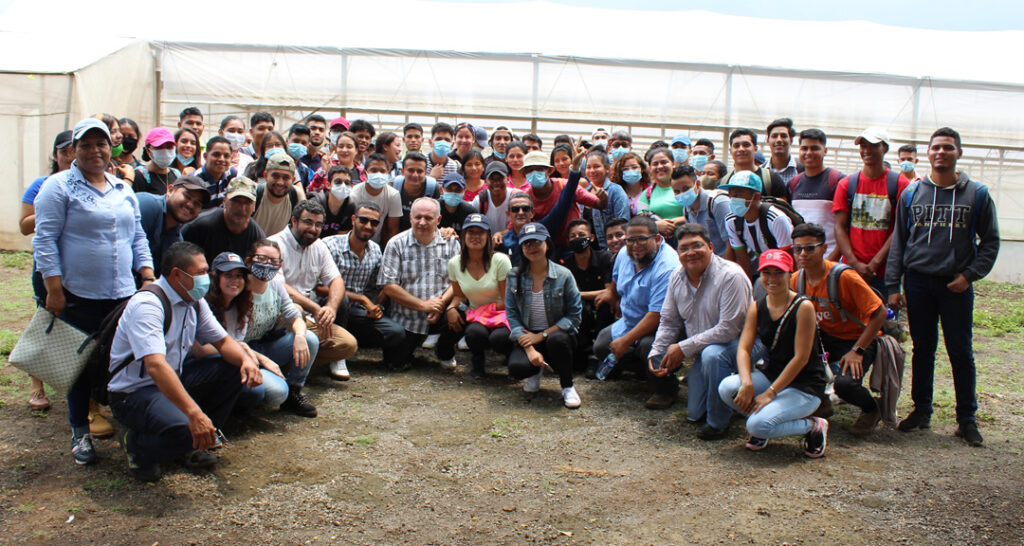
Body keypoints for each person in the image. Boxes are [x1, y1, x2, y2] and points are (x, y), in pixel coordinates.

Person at [33, 118, 155, 465]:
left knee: (121, 363)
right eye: (85, 145)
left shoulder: (121, 188)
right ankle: (79, 432)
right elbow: (44, 241)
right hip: (78, 294)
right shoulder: (58, 187)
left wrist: (146, 278)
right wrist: (54, 290)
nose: (94, 151)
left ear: (110, 148)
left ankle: (127, 425)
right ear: (73, 150)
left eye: (101, 144)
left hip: (121, 294)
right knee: (79, 365)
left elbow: (138, 237)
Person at [108, 242, 261, 482]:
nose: (207, 278)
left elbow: (222, 341)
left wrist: (245, 360)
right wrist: (194, 413)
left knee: (232, 369)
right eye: (200, 273)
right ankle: (137, 445)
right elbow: (156, 366)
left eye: (206, 271)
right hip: (134, 393)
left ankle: (199, 442)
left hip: (172, 380)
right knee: (187, 425)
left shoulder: (194, 300)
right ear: (177, 275)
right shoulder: (148, 305)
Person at [886, 127, 1000, 446]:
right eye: (936, 147)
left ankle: (967, 418)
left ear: (958, 153)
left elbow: (991, 242)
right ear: (929, 153)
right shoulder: (911, 194)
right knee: (923, 348)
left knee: (960, 351)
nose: (941, 152)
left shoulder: (976, 194)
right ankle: (921, 410)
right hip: (919, 282)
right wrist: (894, 284)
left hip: (956, 285)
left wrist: (970, 275)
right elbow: (899, 242)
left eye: (948, 147)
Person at [718, 249, 829, 457]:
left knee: (756, 425)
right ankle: (767, 420)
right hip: (772, 374)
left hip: (804, 384)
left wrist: (769, 393)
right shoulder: (757, 306)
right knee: (727, 388)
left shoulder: (803, 307)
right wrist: (747, 382)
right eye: (766, 273)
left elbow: (801, 358)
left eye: (779, 272)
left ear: (790, 274)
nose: (772, 279)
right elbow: (743, 348)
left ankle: (812, 425)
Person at [648, 224, 754, 434]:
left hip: (743, 346)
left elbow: (728, 329)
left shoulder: (731, 275)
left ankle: (718, 424)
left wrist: (683, 347)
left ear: (711, 247)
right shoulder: (677, 276)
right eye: (683, 248)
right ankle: (730, 399)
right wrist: (656, 352)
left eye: (697, 246)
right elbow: (669, 320)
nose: (690, 253)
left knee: (713, 355)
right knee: (694, 413)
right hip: (703, 350)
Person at [791, 223, 887, 435]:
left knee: (845, 385)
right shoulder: (797, 280)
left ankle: (872, 409)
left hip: (858, 339)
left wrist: (858, 350)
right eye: (798, 249)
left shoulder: (844, 277)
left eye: (810, 248)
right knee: (794, 361)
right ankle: (821, 402)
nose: (803, 254)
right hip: (825, 338)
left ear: (824, 248)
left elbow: (879, 313)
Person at [205, 246, 320, 417]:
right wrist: (261, 359)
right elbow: (226, 344)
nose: (267, 265)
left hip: (259, 346)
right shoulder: (230, 296)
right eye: (262, 259)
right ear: (249, 260)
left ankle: (294, 392)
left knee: (310, 339)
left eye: (273, 261)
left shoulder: (261, 289)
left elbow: (293, 313)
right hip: (232, 355)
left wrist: (300, 336)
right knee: (276, 392)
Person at [268, 200, 358, 380]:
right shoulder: (274, 245)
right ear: (294, 221)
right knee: (297, 310)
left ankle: (289, 366)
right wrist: (316, 308)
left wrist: (330, 309)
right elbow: (279, 287)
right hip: (279, 315)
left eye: (318, 225)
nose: (313, 229)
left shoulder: (319, 247)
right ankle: (291, 373)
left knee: (348, 345)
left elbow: (336, 280)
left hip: (309, 318)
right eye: (308, 222)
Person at [593, 216, 680, 401]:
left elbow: (656, 315)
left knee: (649, 347)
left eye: (641, 239)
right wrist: (612, 295)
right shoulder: (625, 253)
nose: (635, 245)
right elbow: (617, 279)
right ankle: (643, 371)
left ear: (657, 239)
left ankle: (666, 389)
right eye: (630, 240)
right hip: (630, 319)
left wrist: (625, 341)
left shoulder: (668, 266)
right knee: (602, 345)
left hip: (662, 326)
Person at [20, 129, 75, 412]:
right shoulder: (41, 185)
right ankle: (37, 386)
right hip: (47, 265)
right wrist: (50, 204)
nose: (69, 156)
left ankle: (72, 385)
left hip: (75, 267)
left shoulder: (85, 184)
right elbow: (24, 225)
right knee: (46, 320)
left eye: (73, 149)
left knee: (73, 326)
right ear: (55, 155)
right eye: (64, 151)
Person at [378, 198, 461, 369]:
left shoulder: (451, 243)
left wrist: (439, 304)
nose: (422, 222)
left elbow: (458, 280)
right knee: (395, 363)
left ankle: (444, 350)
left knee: (463, 313)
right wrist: (424, 305)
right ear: (410, 218)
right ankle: (411, 345)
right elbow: (388, 286)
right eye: (418, 217)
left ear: (438, 220)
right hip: (407, 318)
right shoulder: (396, 244)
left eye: (428, 218)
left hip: (440, 312)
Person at [505, 223, 582, 408]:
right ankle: (534, 371)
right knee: (517, 368)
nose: (532, 248)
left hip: (556, 334)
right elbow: (512, 314)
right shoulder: (514, 275)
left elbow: (574, 316)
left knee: (557, 341)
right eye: (526, 244)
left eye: (536, 242)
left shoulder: (564, 275)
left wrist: (541, 335)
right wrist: (530, 347)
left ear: (547, 244)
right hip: (528, 334)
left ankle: (567, 386)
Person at [324, 203, 406, 365]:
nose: (368, 226)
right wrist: (362, 299)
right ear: (353, 219)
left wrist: (376, 307)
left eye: (374, 223)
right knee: (342, 301)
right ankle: (337, 356)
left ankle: (351, 344)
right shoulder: (330, 245)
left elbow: (380, 286)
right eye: (363, 220)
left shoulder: (375, 251)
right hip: (329, 306)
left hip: (358, 312)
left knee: (396, 333)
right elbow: (319, 288)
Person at [833, 127, 910, 297]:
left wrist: (875, 262)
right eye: (863, 146)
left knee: (884, 320)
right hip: (851, 270)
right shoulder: (847, 184)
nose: (867, 151)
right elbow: (840, 226)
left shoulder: (899, 184)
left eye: (873, 146)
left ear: (885, 148)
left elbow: (900, 228)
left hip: (885, 272)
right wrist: (854, 263)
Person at [447, 214, 513, 377]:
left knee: (499, 338)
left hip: (501, 315)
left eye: (480, 232)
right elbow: (459, 296)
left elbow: (506, 302)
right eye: (471, 232)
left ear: (488, 237)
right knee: (474, 334)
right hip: (477, 317)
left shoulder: (501, 261)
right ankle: (477, 360)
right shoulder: (455, 263)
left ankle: (511, 355)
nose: (475, 237)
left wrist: (480, 310)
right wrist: (451, 308)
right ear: (463, 236)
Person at [559, 219, 614, 370]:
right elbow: (568, 295)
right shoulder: (566, 266)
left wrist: (579, 294)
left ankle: (599, 354)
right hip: (580, 312)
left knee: (605, 302)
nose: (577, 238)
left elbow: (609, 291)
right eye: (573, 236)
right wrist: (579, 296)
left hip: (603, 308)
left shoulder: (604, 258)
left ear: (592, 238)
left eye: (582, 234)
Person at [522, 150, 604, 250]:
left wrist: (603, 198)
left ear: (550, 171)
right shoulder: (525, 198)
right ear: (524, 174)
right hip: (546, 249)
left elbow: (598, 204)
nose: (534, 173)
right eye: (530, 170)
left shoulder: (564, 186)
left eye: (539, 169)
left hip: (574, 246)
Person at [721, 170, 795, 280]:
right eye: (731, 194)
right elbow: (742, 259)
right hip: (764, 270)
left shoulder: (776, 219)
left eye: (739, 194)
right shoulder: (732, 221)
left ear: (756, 197)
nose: (733, 198)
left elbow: (789, 258)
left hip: (782, 272)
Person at [183, 176, 266, 264]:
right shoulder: (199, 226)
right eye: (236, 201)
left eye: (247, 202)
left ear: (254, 206)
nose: (241, 208)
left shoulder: (257, 237)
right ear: (224, 201)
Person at [788, 129, 844, 256]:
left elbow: (845, 227)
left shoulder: (837, 181)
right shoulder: (793, 183)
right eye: (804, 148)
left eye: (814, 148)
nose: (809, 153)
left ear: (825, 151)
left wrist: (831, 261)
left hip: (828, 257)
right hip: (802, 258)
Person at [137, 176, 210, 273]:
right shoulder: (148, 205)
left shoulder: (177, 240)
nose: (190, 205)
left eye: (197, 203)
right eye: (187, 196)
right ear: (170, 190)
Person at [719, 128, 789, 201]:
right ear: (730, 151)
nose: (741, 149)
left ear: (755, 149)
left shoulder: (772, 179)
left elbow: (782, 208)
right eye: (736, 146)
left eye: (746, 145)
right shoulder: (723, 182)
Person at [348, 152, 403, 246]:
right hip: (354, 242)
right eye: (373, 170)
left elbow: (392, 229)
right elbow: (350, 225)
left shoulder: (393, 195)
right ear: (365, 173)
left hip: (377, 244)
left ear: (388, 173)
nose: (378, 174)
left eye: (382, 171)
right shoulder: (354, 193)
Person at [678, 165, 730, 257]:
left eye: (686, 188)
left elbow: (731, 244)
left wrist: (726, 270)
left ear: (697, 184)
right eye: (677, 191)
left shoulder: (718, 203)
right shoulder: (686, 208)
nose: (682, 194)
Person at [583, 148, 629, 250]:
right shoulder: (583, 194)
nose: (592, 171)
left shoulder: (616, 191)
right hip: (589, 253)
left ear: (607, 168)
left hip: (610, 251)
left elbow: (623, 223)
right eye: (588, 167)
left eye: (596, 166)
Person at [639, 148, 686, 238]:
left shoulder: (685, 188)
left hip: (686, 239)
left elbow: (699, 213)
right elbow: (641, 220)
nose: (660, 166)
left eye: (664, 162)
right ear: (650, 168)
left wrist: (676, 221)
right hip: (659, 243)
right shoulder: (647, 194)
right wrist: (656, 225)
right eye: (655, 164)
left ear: (673, 164)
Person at [253, 152, 302, 235]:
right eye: (275, 176)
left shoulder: (296, 195)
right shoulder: (255, 194)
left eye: (286, 178)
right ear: (265, 175)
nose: (280, 182)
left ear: (293, 180)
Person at [395, 152, 440, 232]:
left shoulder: (433, 188)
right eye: (411, 170)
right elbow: (390, 225)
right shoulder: (394, 186)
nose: (415, 175)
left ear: (425, 173)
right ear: (402, 171)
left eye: (419, 171)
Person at [311, 164, 357, 238]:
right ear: (328, 185)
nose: (343, 186)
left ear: (351, 187)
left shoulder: (351, 207)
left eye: (347, 183)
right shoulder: (316, 203)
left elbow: (341, 239)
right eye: (338, 182)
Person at [134, 127, 181, 196]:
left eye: (169, 147)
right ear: (148, 151)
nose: (165, 151)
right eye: (159, 147)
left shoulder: (176, 174)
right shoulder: (140, 176)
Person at [194, 136, 237, 208]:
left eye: (226, 156)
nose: (221, 159)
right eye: (216, 155)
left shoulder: (231, 174)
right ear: (205, 156)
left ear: (231, 158)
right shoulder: (196, 180)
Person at [472, 161, 511, 232]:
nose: (496, 183)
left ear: (508, 180)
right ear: (486, 181)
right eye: (492, 179)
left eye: (500, 178)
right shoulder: (479, 201)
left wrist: (502, 234)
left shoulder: (515, 199)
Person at [763, 118, 804, 184]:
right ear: (768, 140)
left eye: (784, 136)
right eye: (774, 136)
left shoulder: (803, 169)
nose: (779, 140)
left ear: (791, 140)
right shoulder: (761, 171)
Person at [612, 151, 650, 216]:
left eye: (634, 167)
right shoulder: (617, 191)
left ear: (642, 169)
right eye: (625, 169)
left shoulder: (650, 190)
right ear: (621, 172)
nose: (630, 171)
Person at [285, 123, 316, 189]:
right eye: (296, 141)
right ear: (287, 141)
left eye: (303, 143)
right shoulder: (274, 164)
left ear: (308, 146)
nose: (299, 145)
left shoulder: (306, 171)